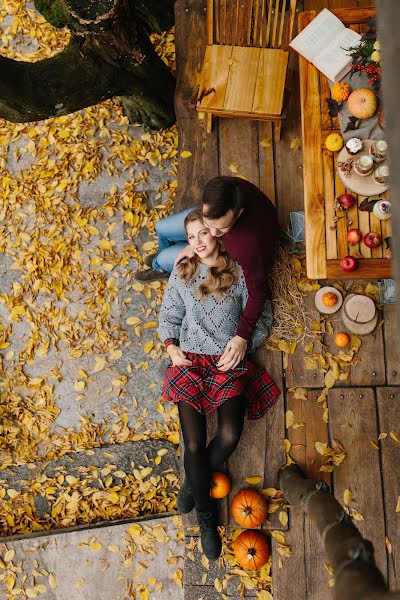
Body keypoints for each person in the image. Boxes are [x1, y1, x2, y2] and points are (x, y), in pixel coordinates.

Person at [158, 209, 280, 561]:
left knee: (229, 434)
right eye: (191, 237)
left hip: (227, 360)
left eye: (203, 234)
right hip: (191, 361)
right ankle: (207, 520)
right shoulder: (181, 273)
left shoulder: (239, 271)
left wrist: (243, 343)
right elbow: (169, 317)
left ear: (216, 234)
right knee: (193, 443)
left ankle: (192, 483)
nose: (197, 242)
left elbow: (262, 316)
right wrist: (171, 346)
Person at [137, 176, 279, 371]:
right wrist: (192, 244)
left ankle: (160, 266)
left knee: (164, 260)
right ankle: (165, 261)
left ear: (238, 215)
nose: (212, 232)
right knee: (161, 228)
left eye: (218, 230)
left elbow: (258, 294)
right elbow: (208, 228)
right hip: (207, 230)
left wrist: (242, 337)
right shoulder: (223, 190)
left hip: (227, 247)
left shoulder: (245, 247)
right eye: (208, 225)